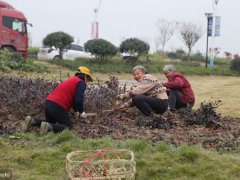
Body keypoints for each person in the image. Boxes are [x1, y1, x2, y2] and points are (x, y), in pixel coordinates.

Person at [22, 66, 93, 134]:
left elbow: (74, 99)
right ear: (85, 76)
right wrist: (81, 112)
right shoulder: (81, 83)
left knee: (51, 123)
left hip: (48, 102)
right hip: (58, 105)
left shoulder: (71, 80)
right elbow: (78, 99)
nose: (87, 81)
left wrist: (76, 111)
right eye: (88, 78)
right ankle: (48, 127)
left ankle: (32, 121)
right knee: (68, 127)